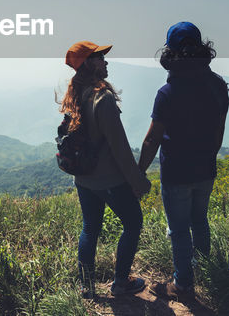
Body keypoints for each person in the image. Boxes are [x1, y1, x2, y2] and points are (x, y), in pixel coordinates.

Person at [138, 22, 229, 300]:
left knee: (179, 230)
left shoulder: (167, 93)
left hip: (176, 172)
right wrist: (208, 158)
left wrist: (138, 171)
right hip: (205, 169)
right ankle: (203, 270)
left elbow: (152, 139)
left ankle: (182, 284)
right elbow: (218, 131)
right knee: (200, 222)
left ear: (171, 51)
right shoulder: (217, 85)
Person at [59, 40, 151, 299]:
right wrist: (138, 181)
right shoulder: (103, 98)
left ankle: (85, 287)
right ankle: (121, 283)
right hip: (109, 179)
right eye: (100, 57)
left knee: (90, 228)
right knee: (133, 223)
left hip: (84, 178)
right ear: (89, 63)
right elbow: (119, 147)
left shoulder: (75, 94)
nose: (106, 62)